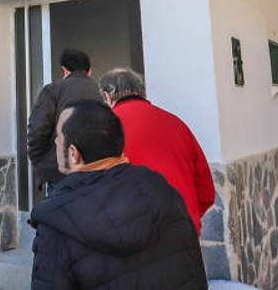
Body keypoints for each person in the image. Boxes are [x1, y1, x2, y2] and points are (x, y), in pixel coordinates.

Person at [29, 99, 207, 289]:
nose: (55, 142)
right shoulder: (163, 191)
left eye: (58, 137)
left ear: (74, 154)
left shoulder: (57, 225)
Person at [99, 68, 215, 236]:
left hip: (133, 236)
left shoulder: (104, 129)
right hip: (182, 231)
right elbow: (206, 192)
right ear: (142, 92)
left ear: (108, 96)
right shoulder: (176, 124)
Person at [27, 49, 101, 192]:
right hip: (96, 171)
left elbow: (37, 130)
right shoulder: (102, 93)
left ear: (64, 70)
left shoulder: (52, 91)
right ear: (89, 71)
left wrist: (41, 162)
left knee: (61, 212)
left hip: (61, 172)